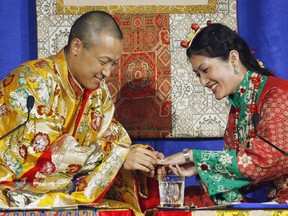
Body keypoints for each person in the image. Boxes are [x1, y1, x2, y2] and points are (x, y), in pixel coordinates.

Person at [0, 10, 163, 214]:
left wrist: (143, 159)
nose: (108, 73)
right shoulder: (33, 81)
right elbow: (41, 153)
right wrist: (119, 158)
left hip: (61, 191)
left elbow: (114, 139)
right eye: (103, 62)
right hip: (13, 188)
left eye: (113, 64)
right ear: (76, 46)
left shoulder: (98, 94)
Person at [158, 23, 288, 207]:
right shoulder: (238, 108)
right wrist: (200, 168)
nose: (203, 81)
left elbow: (266, 161)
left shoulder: (278, 94)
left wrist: (194, 157)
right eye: (197, 75)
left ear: (233, 58)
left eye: (205, 70)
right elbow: (244, 175)